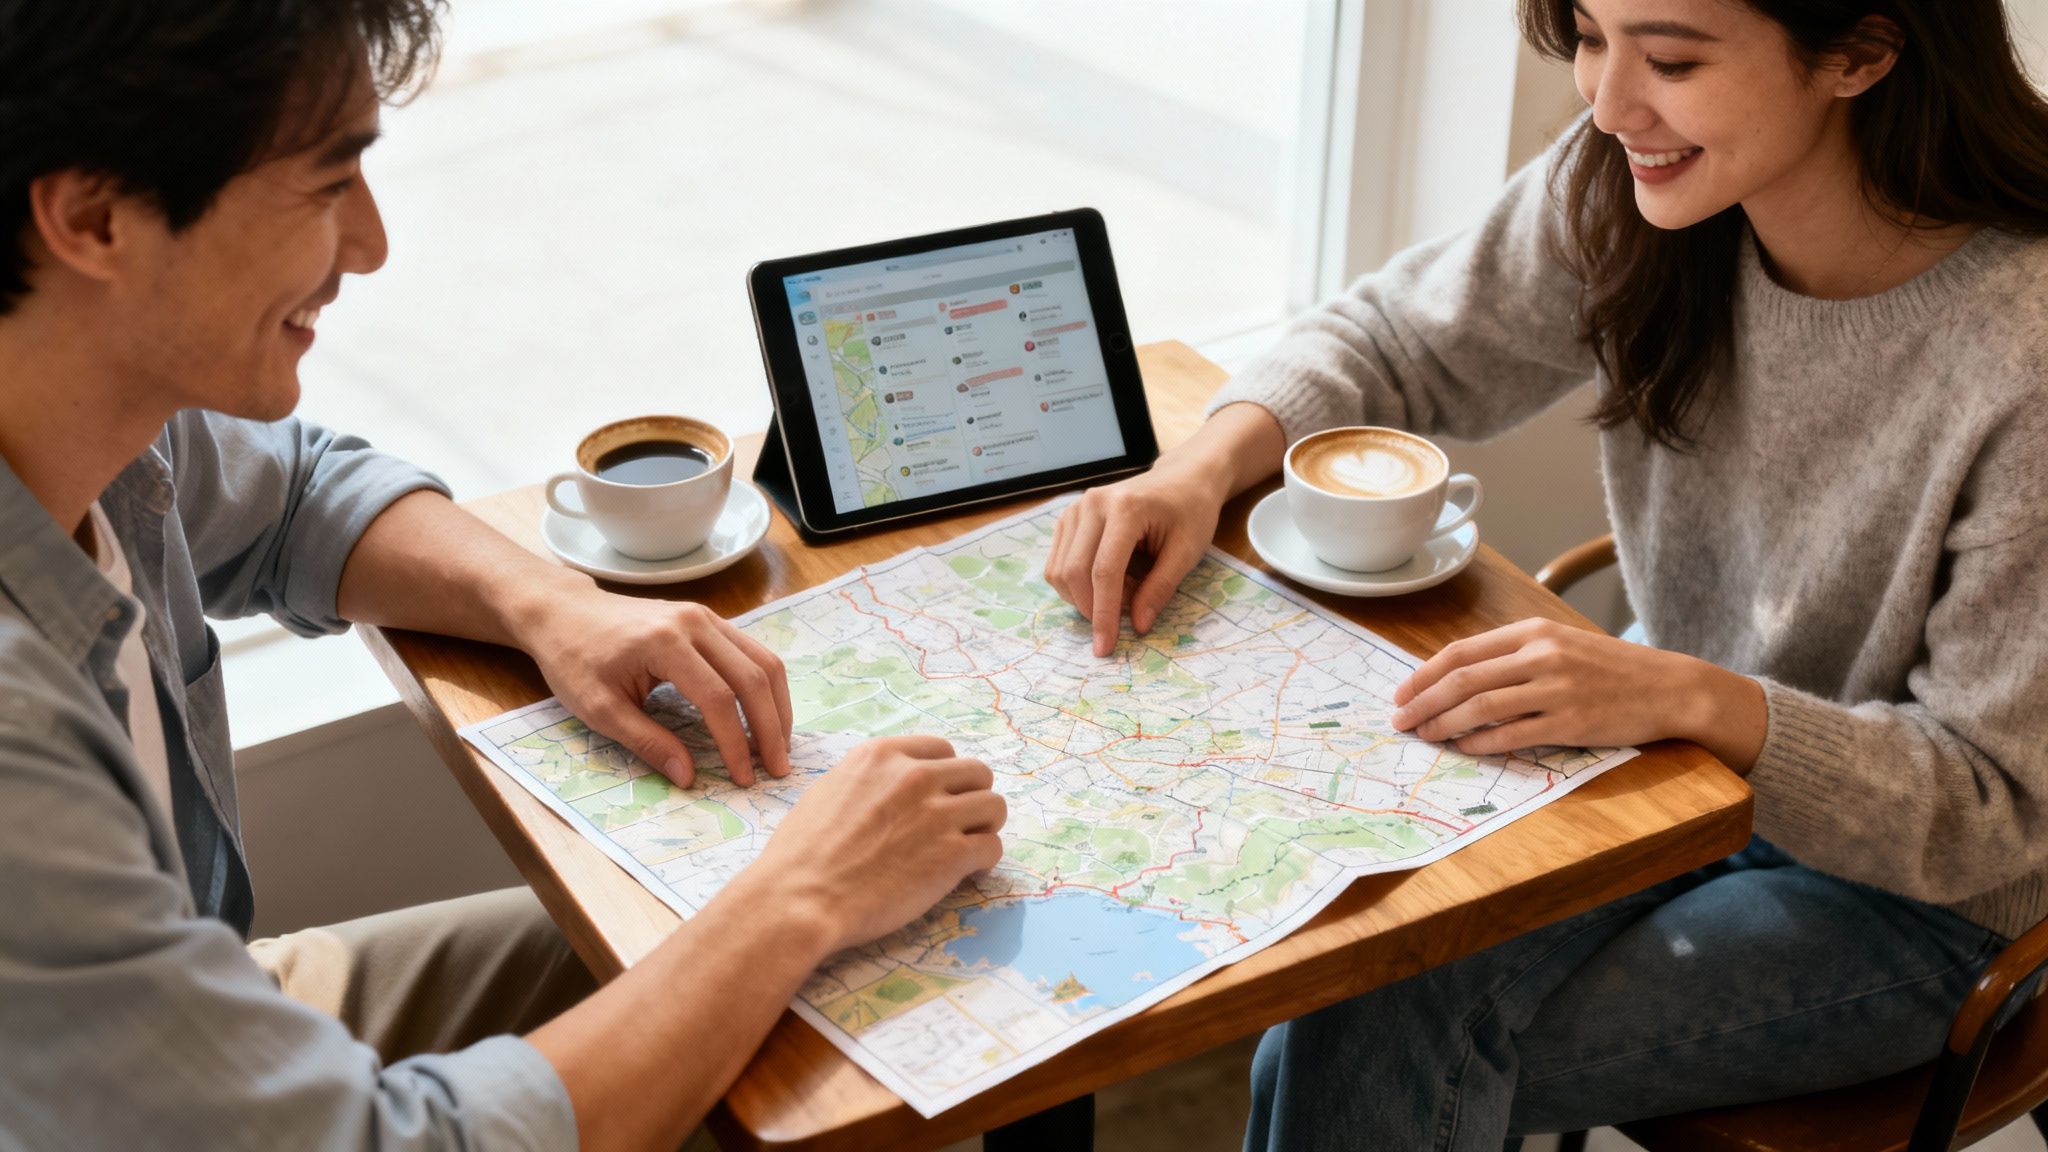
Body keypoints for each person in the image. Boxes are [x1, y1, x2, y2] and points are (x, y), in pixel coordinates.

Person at [0, 3, 1005, 1150]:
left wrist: (554, 604)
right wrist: (798, 894)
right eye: (329, 187)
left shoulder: (99, 423)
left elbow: (292, 500)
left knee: (830, 986)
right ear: (93, 218)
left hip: (200, 1019)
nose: (369, 245)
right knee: (804, 967)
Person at [1045, 0, 2048, 1146]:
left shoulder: (2022, 351)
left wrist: (1683, 694)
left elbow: (1986, 811)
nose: (1607, 104)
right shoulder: (1633, 182)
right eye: (1585, 35)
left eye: (1668, 57)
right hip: (1673, 779)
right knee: (1361, 957)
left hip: (1924, 905)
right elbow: (1395, 340)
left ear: (1862, 51)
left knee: (1371, 1030)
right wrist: (1198, 468)